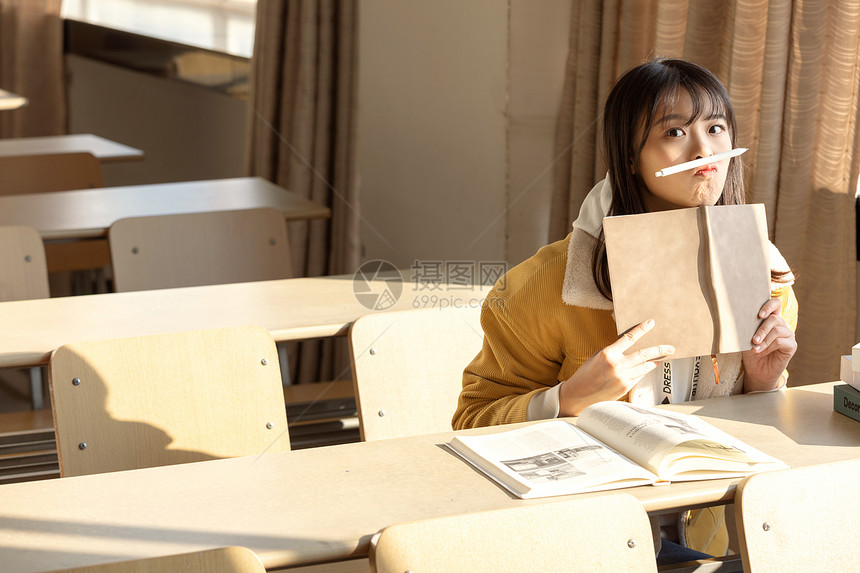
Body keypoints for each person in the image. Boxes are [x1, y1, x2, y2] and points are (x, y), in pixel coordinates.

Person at [452, 57, 798, 564]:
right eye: (675, 131)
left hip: (718, 536)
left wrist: (763, 384)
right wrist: (567, 398)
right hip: (585, 537)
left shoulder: (765, 273)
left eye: (717, 127)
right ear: (629, 157)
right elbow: (472, 423)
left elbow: (762, 438)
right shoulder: (541, 286)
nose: (705, 150)